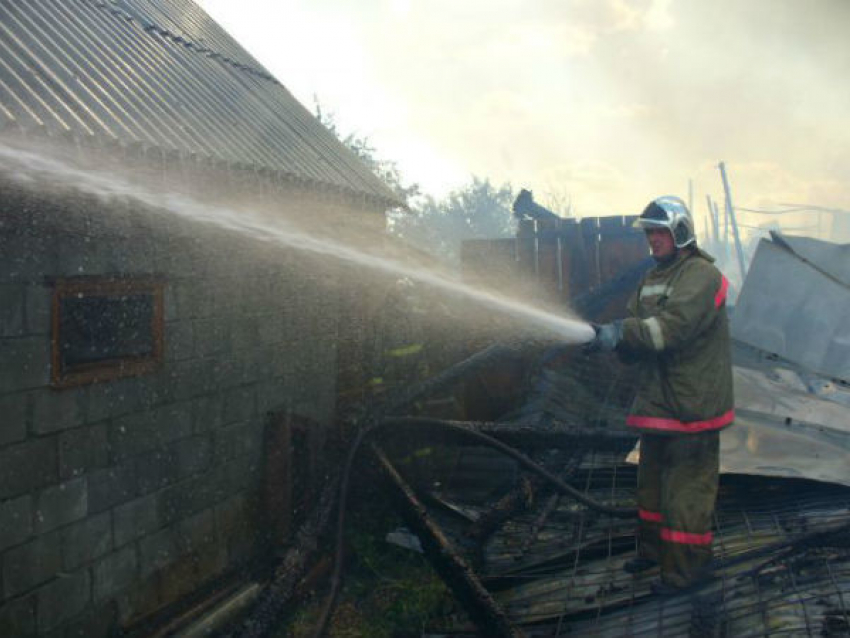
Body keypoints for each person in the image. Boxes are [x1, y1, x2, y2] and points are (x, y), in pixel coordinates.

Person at [587, 195, 734, 594]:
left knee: (686, 496)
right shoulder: (652, 279)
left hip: (692, 406)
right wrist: (609, 340)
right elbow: (640, 338)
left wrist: (624, 331)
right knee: (650, 489)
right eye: (649, 232)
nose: (652, 239)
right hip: (657, 404)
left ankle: (687, 573)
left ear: (680, 231)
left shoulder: (702, 276)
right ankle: (653, 554)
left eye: (659, 232)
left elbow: (673, 328)